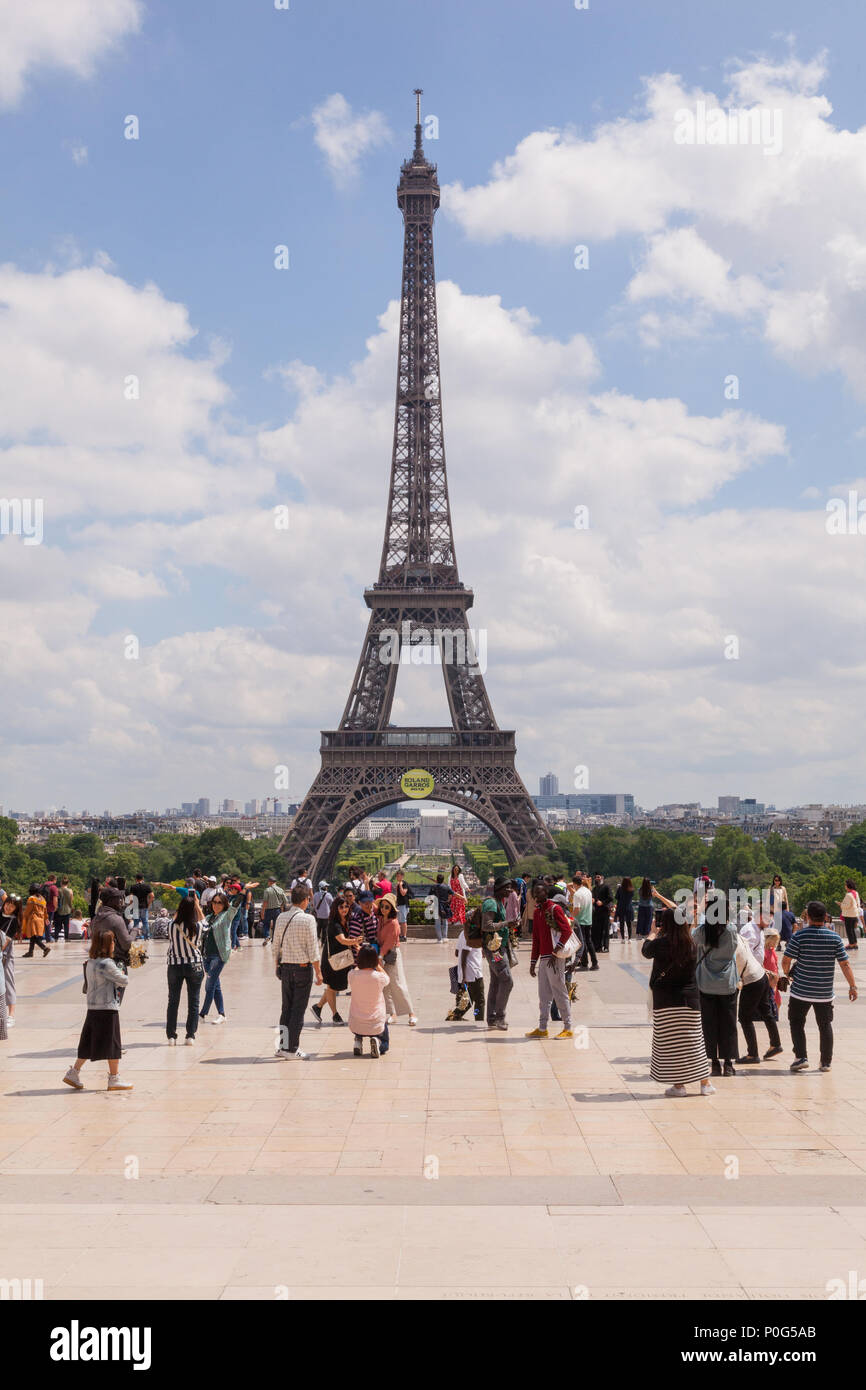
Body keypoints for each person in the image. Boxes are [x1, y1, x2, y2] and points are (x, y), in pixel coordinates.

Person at [642, 907, 714, 1098]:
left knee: (672, 1044)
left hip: (665, 1000)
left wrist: (651, 933)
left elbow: (645, 951)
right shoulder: (691, 944)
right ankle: (705, 1083)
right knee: (694, 1042)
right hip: (689, 1000)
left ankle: (679, 1085)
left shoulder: (659, 943)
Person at [783, 900, 858, 1072]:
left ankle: (801, 1057)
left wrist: (787, 974)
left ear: (807, 916)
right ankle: (825, 1062)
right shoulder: (834, 938)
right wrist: (852, 986)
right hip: (824, 992)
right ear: (825, 917)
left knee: (796, 1022)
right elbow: (845, 964)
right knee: (825, 1025)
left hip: (800, 991)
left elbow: (786, 960)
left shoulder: (799, 936)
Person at [62, 930, 133, 1092]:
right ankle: (114, 1078)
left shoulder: (91, 962)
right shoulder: (107, 964)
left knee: (88, 1042)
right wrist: (121, 969)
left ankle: (74, 1072)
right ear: (108, 945)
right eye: (113, 941)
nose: (114, 944)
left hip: (93, 1007)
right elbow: (124, 980)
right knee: (113, 1043)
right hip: (107, 1007)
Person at [273, 884, 322, 1060]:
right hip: (302, 969)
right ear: (305, 900)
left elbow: (275, 945)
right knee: (298, 1010)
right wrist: (318, 972)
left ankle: (283, 1046)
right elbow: (313, 948)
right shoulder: (308, 919)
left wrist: (276, 966)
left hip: (286, 968)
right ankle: (292, 1049)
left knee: (286, 1009)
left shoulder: (280, 918)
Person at [691, 912, 739, 1077]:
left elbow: (692, 940)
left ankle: (714, 1064)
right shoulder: (731, 930)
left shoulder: (702, 931)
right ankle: (728, 1064)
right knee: (729, 1024)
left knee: (708, 1025)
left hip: (705, 983)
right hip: (727, 983)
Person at [526, 881, 575, 1039]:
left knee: (559, 992)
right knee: (544, 995)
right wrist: (533, 962)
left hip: (554, 957)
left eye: (539, 892)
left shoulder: (555, 909)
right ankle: (542, 1027)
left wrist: (555, 951)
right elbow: (537, 940)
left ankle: (568, 1027)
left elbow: (566, 930)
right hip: (545, 958)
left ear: (546, 893)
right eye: (534, 893)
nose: (536, 896)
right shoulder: (538, 912)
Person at [735, 928, 782, 1065]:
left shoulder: (729, 940)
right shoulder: (739, 937)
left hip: (752, 979)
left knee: (744, 1018)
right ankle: (775, 1044)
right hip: (760, 975)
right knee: (766, 1012)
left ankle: (752, 1054)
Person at [166, 896, 204, 1045]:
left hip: (175, 964)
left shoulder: (171, 925)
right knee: (193, 1001)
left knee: (173, 1001)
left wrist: (180, 910)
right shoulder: (198, 926)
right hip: (194, 964)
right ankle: (190, 1035)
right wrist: (197, 906)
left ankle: (171, 1036)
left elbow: (175, 920)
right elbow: (204, 921)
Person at [376, 892, 417, 1026]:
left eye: (387, 907)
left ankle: (411, 1013)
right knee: (385, 986)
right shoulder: (381, 919)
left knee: (398, 984)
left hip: (391, 954)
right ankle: (392, 1014)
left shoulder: (394, 923)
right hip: (383, 955)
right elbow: (370, 906)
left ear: (392, 909)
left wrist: (380, 956)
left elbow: (389, 942)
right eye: (382, 906)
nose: (383, 909)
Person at [478, 876, 514, 1030]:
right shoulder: (491, 903)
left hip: (497, 947)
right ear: (499, 888)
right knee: (507, 981)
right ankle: (499, 1017)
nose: (510, 890)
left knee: (496, 982)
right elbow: (486, 926)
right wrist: (507, 923)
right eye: (507, 887)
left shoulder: (499, 902)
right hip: (494, 950)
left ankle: (492, 1018)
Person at [313, 895, 354, 1025]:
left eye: (346, 906)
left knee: (333, 987)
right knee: (332, 987)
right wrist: (356, 941)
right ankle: (335, 1015)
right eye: (341, 907)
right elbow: (342, 940)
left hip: (341, 960)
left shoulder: (345, 921)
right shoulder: (335, 924)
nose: (344, 909)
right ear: (336, 908)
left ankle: (318, 1007)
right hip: (332, 961)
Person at [348, 943, 389, 1057]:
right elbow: (387, 978)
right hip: (375, 1022)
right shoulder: (378, 977)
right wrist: (377, 964)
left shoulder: (352, 975)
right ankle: (379, 1042)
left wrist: (361, 955)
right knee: (384, 1038)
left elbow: (356, 969)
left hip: (356, 1023)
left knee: (360, 1018)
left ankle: (358, 1040)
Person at [199, 891, 233, 1025]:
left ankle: (202, 1014)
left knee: (209, 985)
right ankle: (222, 1014)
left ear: (224, 904)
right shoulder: (208, 917)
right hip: (206, 955)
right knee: (215, 985)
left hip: (219, 955)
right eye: (214, 902)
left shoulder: (226, 916)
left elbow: (235, 907)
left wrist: (242, 891)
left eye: (219, 902)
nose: (216, 905)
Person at [446, 926, 485, 1022]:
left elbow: (457, 952)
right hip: (473, 973)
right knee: (480, 1000)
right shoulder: (473, 934)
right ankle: (479, 1021)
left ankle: (454, 1016)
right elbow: (464, 953)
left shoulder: (463, 932)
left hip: (469, 972)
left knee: (468, 1000)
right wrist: (464, 977)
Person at [1, 894, 21, 1028]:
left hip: (5, 952)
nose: (8, 907)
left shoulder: (14, 921)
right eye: (7, 903)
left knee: (8, 981)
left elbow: (7, 940)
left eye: (12, 906)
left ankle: (11, 1015)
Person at [572, 872, 597, 971]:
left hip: (580, 921)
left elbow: (577, 909)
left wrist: (570, 917)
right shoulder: (588, 891)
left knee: (582, 943)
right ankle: (595, 963)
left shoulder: (577, 894)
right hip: (588, 920)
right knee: (589, 941)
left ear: (575, 884)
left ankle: (584, 964)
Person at [22, 884, 50, 958]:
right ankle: (30, 952)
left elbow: (28, 910)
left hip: (33, 919)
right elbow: (45, 911)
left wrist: (23, 916)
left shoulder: (32, 899)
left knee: (34, 937)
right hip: (40, 920)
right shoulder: (43, 899)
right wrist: (46, 918)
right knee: (33, 936)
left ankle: (45, 948)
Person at [260, 877, 288, 945]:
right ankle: (274, 940)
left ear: (270, 882)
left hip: (268, 910)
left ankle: (267, 936)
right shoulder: (280, 890)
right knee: (276, 925)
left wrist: (262, 911)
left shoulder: (267, 890)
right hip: (277, 910)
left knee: (266, 924)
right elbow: (286, 901)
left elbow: (265, 902)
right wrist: (281, 906)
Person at [838, 880, 862, 951]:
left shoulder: (848, 895)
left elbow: (847, 905)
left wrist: (841, 904)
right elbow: (857, 903)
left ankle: (851, 944)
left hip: (849, 914)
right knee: (852, 930)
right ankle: (855, 943)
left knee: (849, 930)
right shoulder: (856, 893)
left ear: (848, 886)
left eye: (845, 885)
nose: (845, 886)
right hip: (855, 914)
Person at [591, 874, 612, 953]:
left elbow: (610, 897)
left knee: (605, 930)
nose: (597, 879)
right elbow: (593, 898)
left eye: (598, 877)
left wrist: (603, 902)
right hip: (596, 911)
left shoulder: (607, 887)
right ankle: (598, 947)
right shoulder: (594, 888)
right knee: (597, 930)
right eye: (596, 877)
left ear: (602, 878)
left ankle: (606, 947)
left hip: (605, 911)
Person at [128, 874, 153, 941]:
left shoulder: (133, 887)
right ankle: (146, 937)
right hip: (144, 906)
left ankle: (135, 937)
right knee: (145, 922)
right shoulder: (147, 886)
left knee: (136, 923)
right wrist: (148, 904)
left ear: (136, 879)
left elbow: (130, 898)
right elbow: (152, 896)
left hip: (136, 907)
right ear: (143, 878)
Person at [431, 873, 452, 943]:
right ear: (443, 880)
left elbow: (430, 897)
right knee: (445, 922)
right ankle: (445, 937)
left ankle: (439, 939)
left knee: (437, 922)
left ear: (437, 880)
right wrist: (448, 901)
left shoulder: (434, 886)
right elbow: (452, 894)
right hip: (445, 905)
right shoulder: (446, 887)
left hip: (436, 905)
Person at [54, 876, 74, 942]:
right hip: (68, 910)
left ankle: (56, 937)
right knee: (66, 925)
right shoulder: (70, 891)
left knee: (57, 925)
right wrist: (71, 908)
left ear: (61, 883)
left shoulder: (58, 890)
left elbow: (56, 900)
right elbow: (71, 901)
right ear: (67, 884)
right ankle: (67, 938)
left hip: (59, 910)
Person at [394, 870, 411, 942]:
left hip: (403, 904)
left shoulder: (404, 883)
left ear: (402, 876)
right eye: (396, 876)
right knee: (400, 921)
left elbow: (403, 893)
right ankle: (401, 935)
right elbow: (397, 895)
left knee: (403, 921)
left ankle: (404, 936)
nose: (397, 877)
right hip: (399, 904)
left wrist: (400, 886)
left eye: (398, 876)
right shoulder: (399, 884)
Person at [615, 877, 634, 942]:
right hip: (629, 907)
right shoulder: (631, 889)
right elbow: (632, 896)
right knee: (629, 924)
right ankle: (629, 939)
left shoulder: (620, 888)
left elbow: (616, 897)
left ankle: (623, 938)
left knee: (622, 923)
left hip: (621, 907)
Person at [449, 866, 468, 932]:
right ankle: (455, 921)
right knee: (453, 909)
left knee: (459, 908)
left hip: (460, 895)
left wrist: (466, 888)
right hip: (454, 895)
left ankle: (459, 921)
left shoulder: (460, 876)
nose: (456, 871)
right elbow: (449, 886)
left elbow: (463, 883)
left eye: (457, 869)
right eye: (455, 869)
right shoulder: (450, 877)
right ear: (453, 870)